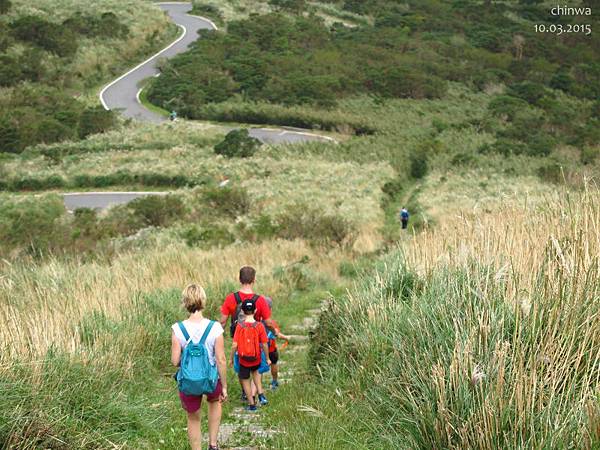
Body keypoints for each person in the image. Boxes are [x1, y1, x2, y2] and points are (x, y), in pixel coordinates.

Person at [171, 284, 228, 450]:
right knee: (215, 403)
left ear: (185, 302)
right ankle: (213, 444)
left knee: (193, 418)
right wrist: (223, 386)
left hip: (189, 380)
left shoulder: (178, 329)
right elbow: (221, 359)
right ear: (203, 300)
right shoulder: (215, 327)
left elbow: (175, 361)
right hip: (211, 377)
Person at [220, 266, 279, 401]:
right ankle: (253, 393)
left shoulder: (231, 299)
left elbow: (222, 322)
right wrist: (273, 331)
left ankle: (245, 393)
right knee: (256, 366)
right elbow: (268, 322)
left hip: (238, 339)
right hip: (256, 340)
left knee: (242, 366)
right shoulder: (260, 300)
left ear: (239, 279)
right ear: (254, 280)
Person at [231, 299, 270, 411]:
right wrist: (267, 358)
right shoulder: (259, 326)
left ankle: (252, 405)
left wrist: (231, 358)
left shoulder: (240, 326)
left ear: (242, 310)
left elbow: (234, 345)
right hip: (256, 358)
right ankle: (261, 394)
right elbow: (264, 344)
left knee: (245, 380)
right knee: (256, 373)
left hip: (243, 359)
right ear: (256, 310)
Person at [263, 297, 289, 390]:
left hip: (261, 349)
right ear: (270, 309)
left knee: (260, 367)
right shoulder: (271, 322)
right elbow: (277, 334)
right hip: (271, 349)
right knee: (274, 364)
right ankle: (274, 381)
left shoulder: (257, 322)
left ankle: (258, 385)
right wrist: (286, 338)